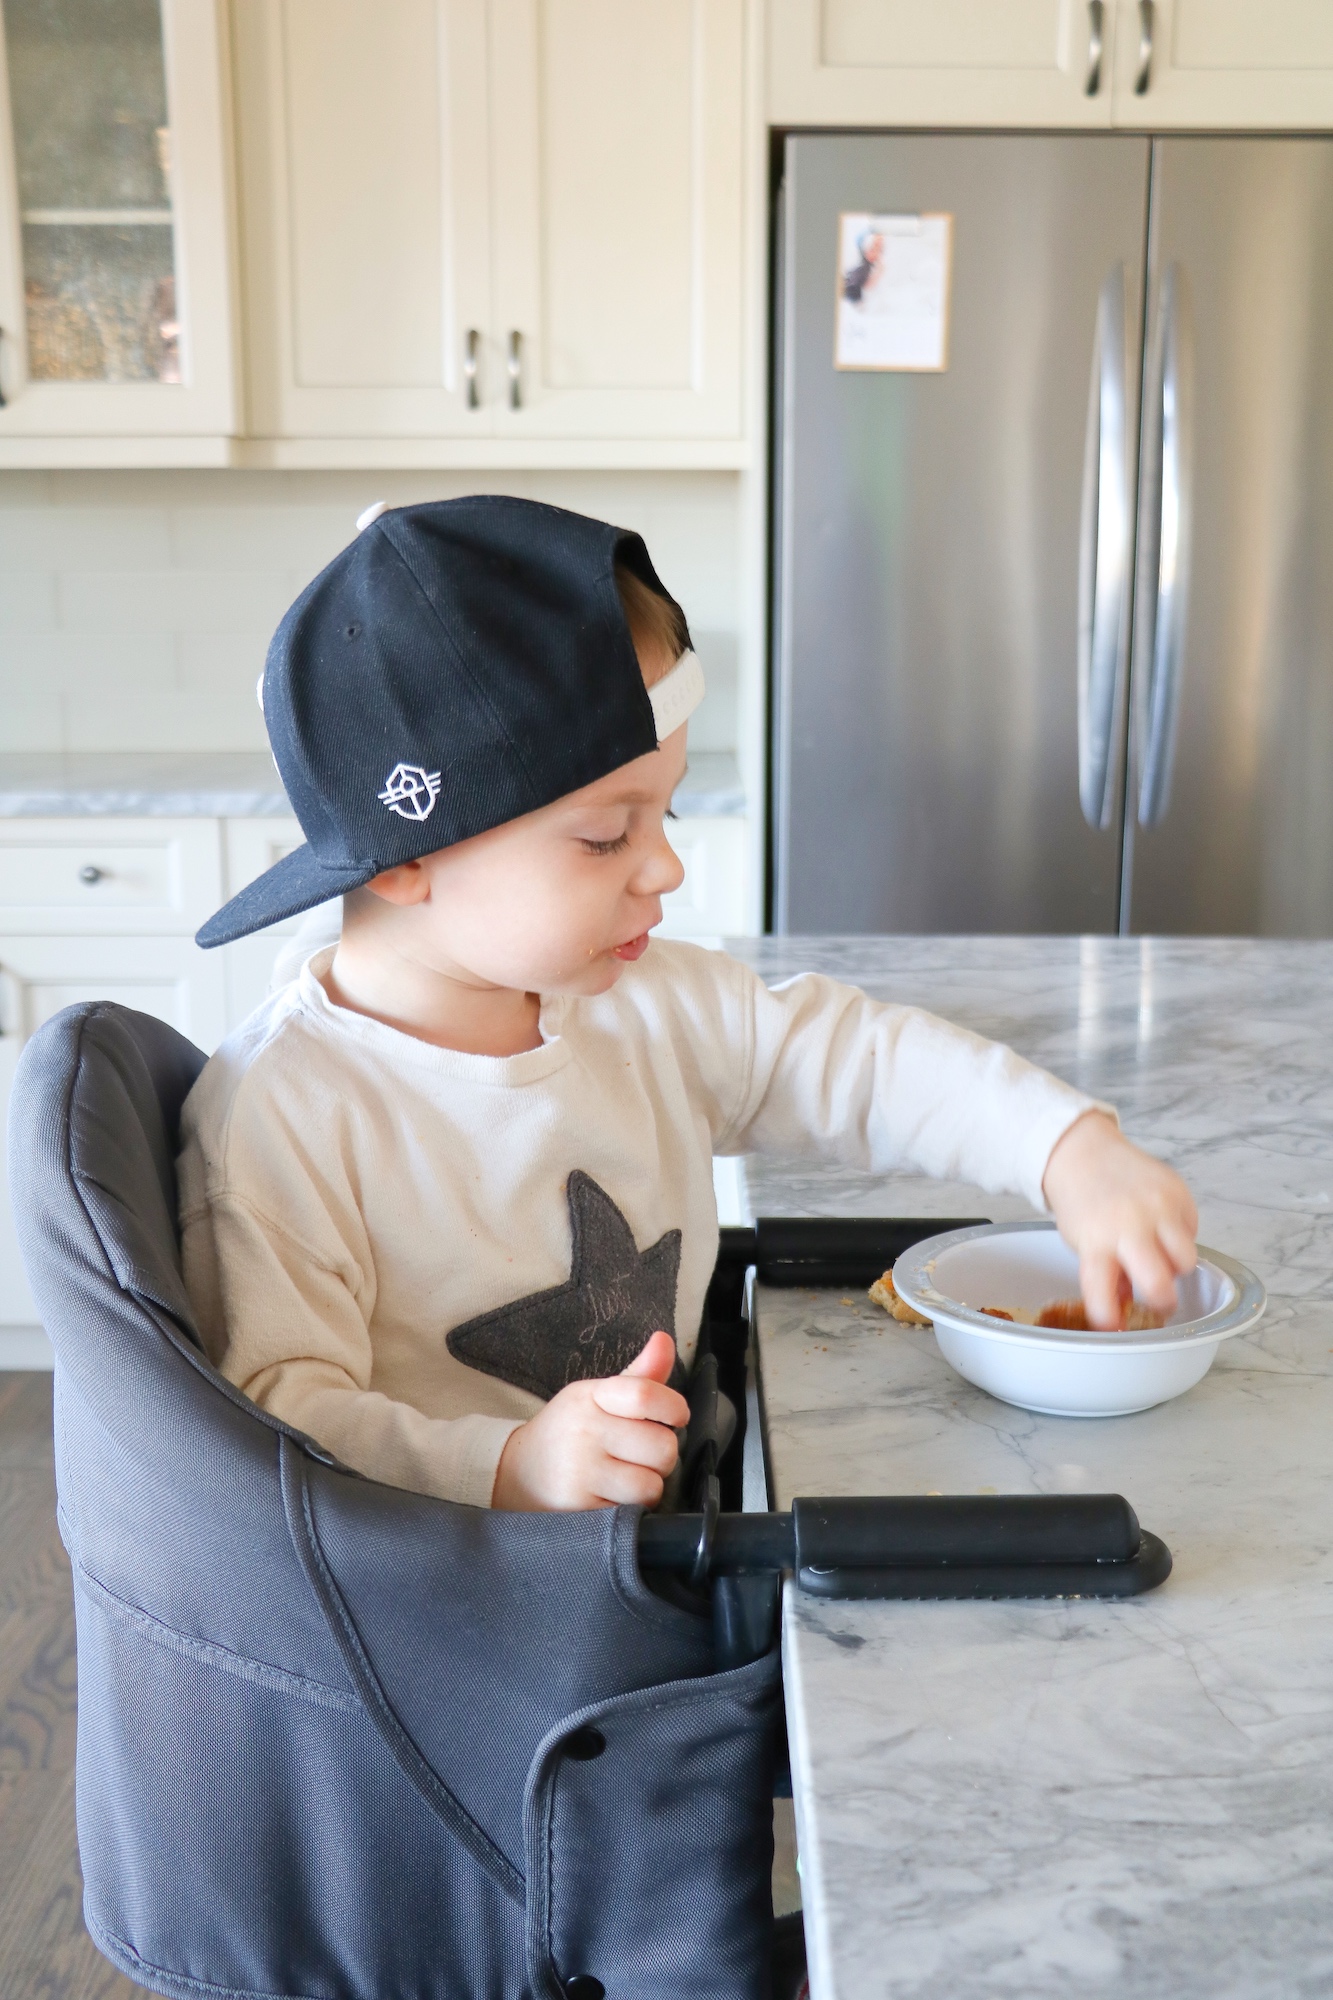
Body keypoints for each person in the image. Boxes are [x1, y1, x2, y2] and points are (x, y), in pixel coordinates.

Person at [179, 496, 1197, 1515]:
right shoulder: (286, 1116)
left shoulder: (642, 1002)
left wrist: (1065, 1148)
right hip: (477, 1622)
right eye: (603, 836)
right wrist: (508, 1467)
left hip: (669, 1534)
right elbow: (276, 1408)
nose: (664, 866)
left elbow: (851, 1060)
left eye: (660, 810)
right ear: (404, 860)